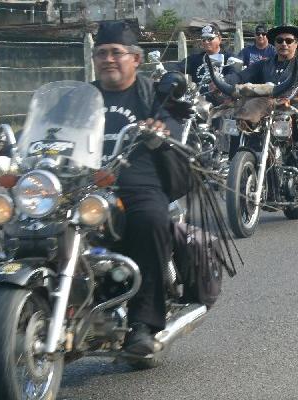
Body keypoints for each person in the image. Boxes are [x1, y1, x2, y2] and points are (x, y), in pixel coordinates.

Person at [91, 21, 186, 356]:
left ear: (135, 58)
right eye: (101, 53)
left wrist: (160, 131)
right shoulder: (87, 97)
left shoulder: (151, 96)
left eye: (116, 52)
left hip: (138, 186)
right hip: (88, 188)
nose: (108, 59)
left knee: (148, 221)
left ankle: (142, 325)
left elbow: (173, 125)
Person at [224, 25, 298, 179]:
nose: (284, 44)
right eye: (280, 40)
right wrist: (224, 82)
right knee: (239, 118)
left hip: (295, 110)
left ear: (296, 44)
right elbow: (240, 77)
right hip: (267, 111)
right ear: (274, 44)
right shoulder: (263, 64)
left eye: (289, 41)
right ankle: (234, 164)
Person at [169, 23, 233, 93]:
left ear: (220, 39)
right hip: (198, 100)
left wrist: (222, 82)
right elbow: (177, 67)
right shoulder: (195, 59)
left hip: (221, 99)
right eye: (203, 39)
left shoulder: (229, 58)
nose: (206, 42)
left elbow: (234, 76)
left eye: (210, 38)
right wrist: (162, 70)